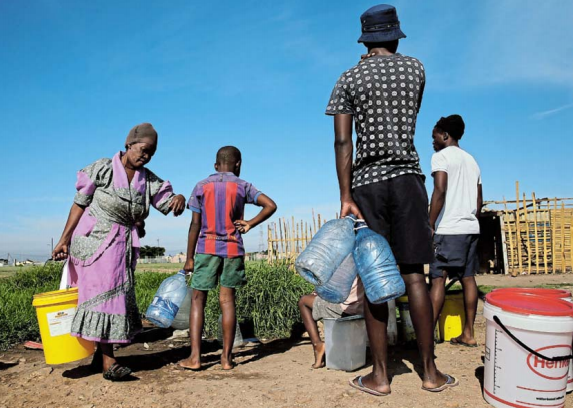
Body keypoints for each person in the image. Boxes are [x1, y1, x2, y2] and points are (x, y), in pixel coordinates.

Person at [326, 4, 458, 396]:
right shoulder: (415, 69)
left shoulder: (348, 78)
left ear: (364, 39)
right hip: (407, 180)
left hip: (366, 185)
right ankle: (430, 373)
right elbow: (407, 114)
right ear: (397, 35)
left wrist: (345, 195)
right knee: (414, 274)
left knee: (372, 279)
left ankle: (380, 376)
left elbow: (342, 140)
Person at [52, 123, 186, 381]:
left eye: (151, 153)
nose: (145, 156)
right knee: (105, 299)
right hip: (94, 243)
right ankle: (109, 364)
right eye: (143, 149)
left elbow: (169, 204)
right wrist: (64, 239)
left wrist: (179, 197)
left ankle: (98, 358)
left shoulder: (148, 180)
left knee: (114, 298)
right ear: (129, 144)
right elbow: (79, 204)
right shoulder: (102, 168)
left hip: (121, 247)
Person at [179, 146, 277, 371]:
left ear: (215, 165)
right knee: (227, 301)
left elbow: (195, 224)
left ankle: (195, 358)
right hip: (233, 250)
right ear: (238, 164)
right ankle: (226, 359)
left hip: (206, 248)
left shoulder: (201, 186)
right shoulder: (243, 186)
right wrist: (250, 223)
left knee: (198, 300)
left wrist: (189, 258)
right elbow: (270, 205)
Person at [428, 115, 482, 348]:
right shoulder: (472, 161)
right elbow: (479, 201)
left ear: (445, 135)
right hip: (471, 227)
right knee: (468, 279)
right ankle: (468, 333)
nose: (433, 141)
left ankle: (427, 335)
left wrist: (429, 224)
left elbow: (439, 190)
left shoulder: (441, 157)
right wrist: (470, 220)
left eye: (434, 136)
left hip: (449, 229)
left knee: (438, 279)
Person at [298, 278, 364, 369]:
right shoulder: (366, 265)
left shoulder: (345, 265)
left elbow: (334, 289)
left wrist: (319, 292)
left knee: (303, 301)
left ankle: (317, 345)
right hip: (363, 308)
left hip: (346, 308)